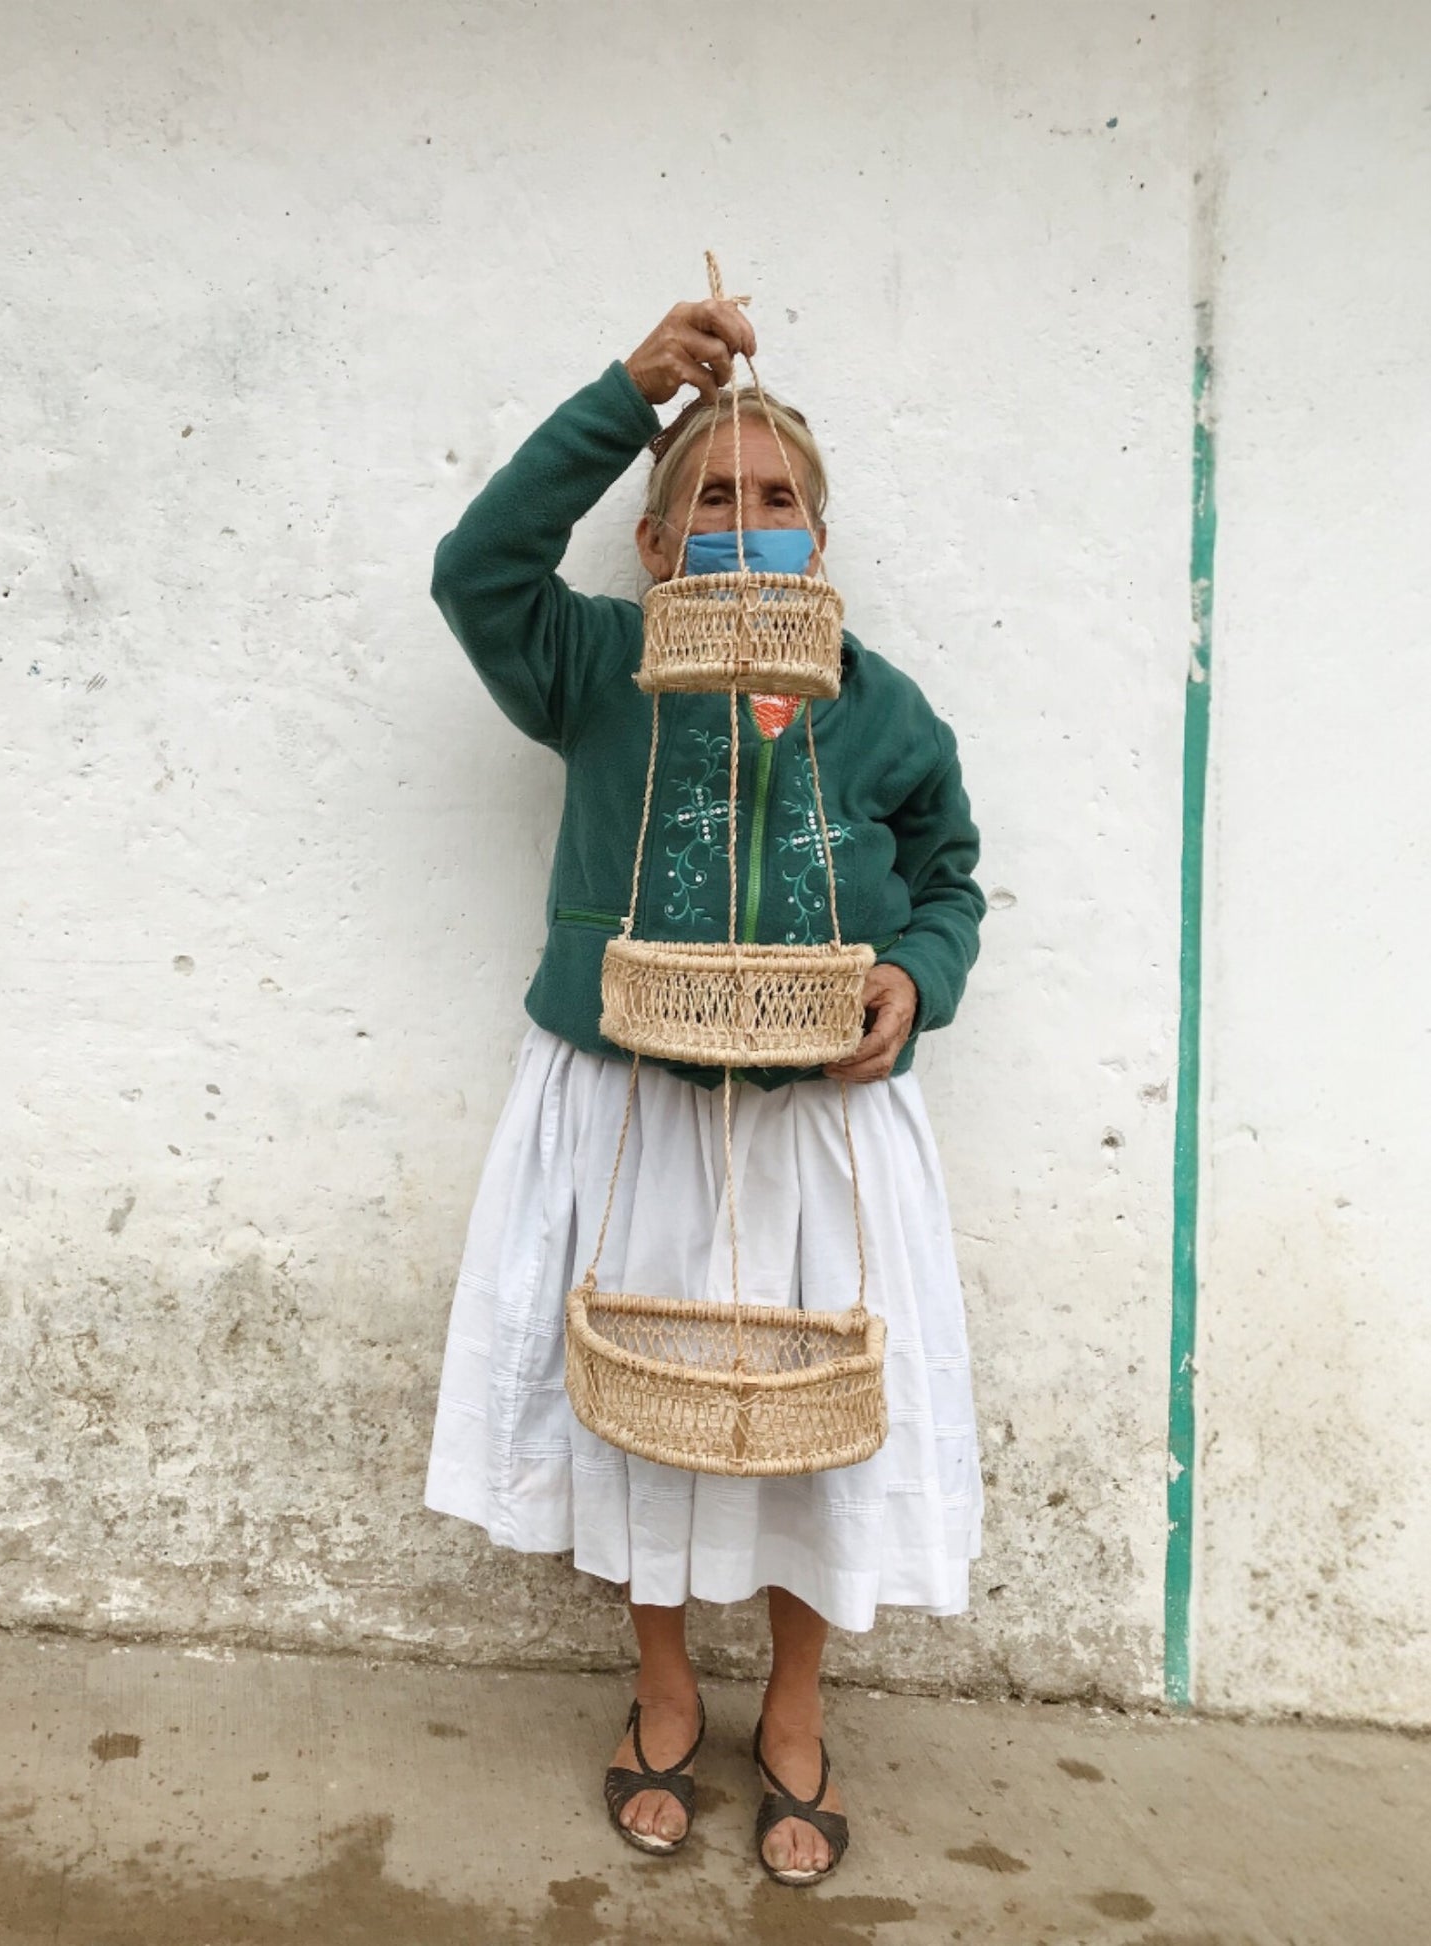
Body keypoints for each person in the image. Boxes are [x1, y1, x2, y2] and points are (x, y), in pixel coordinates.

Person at [422, 290, 985, 1887]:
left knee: (825, 1423)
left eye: (775, 499)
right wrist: (626, 396)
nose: (747, 520)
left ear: (820, 537)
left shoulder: (879, 707)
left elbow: (948, 875)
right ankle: (662, 1687)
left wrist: (911, 980)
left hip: (825, 1123)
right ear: (658, 546)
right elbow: (474, 572)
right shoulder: (597, 665)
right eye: (712, 498)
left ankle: (796, 1708)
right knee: (643, 1403)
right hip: (634, 1107)